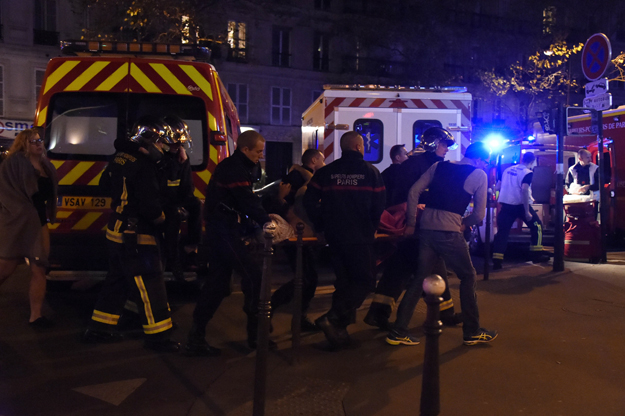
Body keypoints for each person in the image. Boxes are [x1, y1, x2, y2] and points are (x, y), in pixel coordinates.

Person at [82, 116, 180, 353]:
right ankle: (158, 336)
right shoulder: (144, 165)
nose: (164, 149)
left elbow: (103, 186)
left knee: (117, 281)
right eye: (161, 144)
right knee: (150, 282)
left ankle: (99, 328)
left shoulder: (119, 157)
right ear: (150, 141)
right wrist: (163, 219)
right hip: (137, 234)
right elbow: (150, 205)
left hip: (116, 229)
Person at [387, 141, 498, 346]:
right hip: (449, 231)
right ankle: (472, 331)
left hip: (426, 228)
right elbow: (479, 215)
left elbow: (413, 192)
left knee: (419, 278)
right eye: (485, 162)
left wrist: (412, 222)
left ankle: (398, 330)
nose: (485, 166)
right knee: (468, 276)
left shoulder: (439, 166)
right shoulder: (478, 175)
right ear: (481, 159)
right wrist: (464, 225)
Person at [186, 130, 274, 355]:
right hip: (224, 230)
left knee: (217, 284)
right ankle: (257, 334)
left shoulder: (235, 166)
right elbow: (246, 200)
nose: (260, 156)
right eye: (258, 151)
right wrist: (266, 221)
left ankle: (196, 336)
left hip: (223, 229)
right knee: (253, 275)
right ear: (245, 149)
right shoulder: (235, 169)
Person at [365, 128, 462, 331]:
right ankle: (383, 315)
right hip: (416, 226)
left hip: (422, 224)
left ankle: (445, 312)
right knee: (412, 267)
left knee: (419, 266)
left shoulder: (423, 164)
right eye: (444, 144)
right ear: (433, 144)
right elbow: (405, 196)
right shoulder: (418, 166)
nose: (447, 149)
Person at [303, 131, 386, 350]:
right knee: (366, 281)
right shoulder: (371, 172)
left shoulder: (326, 172)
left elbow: (309, 201)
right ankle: (333, 317)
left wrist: (320, 225)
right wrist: (372, 227)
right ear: (359, 147)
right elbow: (379, 205)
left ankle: (339, 332)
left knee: (344, 282)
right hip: (360, 237)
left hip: (334, 236)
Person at [0, 128, 58, 328]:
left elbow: (48, 194)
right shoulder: (13, 163)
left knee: (39, 268)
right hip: (17, 222)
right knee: (6, 267)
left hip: (39, 221)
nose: (38, 143)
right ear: (24, 143)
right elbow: (6, 193)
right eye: (33, 141)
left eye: (40, 140)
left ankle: (36, 316)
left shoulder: (46, 165)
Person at [269, 148, 325, 332]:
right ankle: (269, 308)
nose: (323, 164)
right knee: (305, 278)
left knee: (309, 278)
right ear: (314, 160)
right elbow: (290, 202)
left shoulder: (297, 174)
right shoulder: (297, 178)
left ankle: (299, 317)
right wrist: (281, 200)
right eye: (322, 160)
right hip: (295, 234)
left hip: (301, 233)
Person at [159, 115, 202, 280]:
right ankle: (174, 260)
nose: (178, 145)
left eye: (180, 143)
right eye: (175, 143)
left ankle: (191, 249)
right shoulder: (158, 158)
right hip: (161, 200)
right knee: (174, 215)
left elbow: (187, 185)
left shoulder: (181, 157)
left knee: (196, 204)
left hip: (176, 198)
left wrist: (182, 162)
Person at [492, 152, 549, 270]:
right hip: (520, 205)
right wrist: (527, 211)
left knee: (502, 233)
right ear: (532, 162)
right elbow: (524, 190)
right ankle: (536, 255)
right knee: (537, 226)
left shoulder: (507, 170)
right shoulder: (527, 173)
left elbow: (497, 187)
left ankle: (497, 262)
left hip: (506, 205)